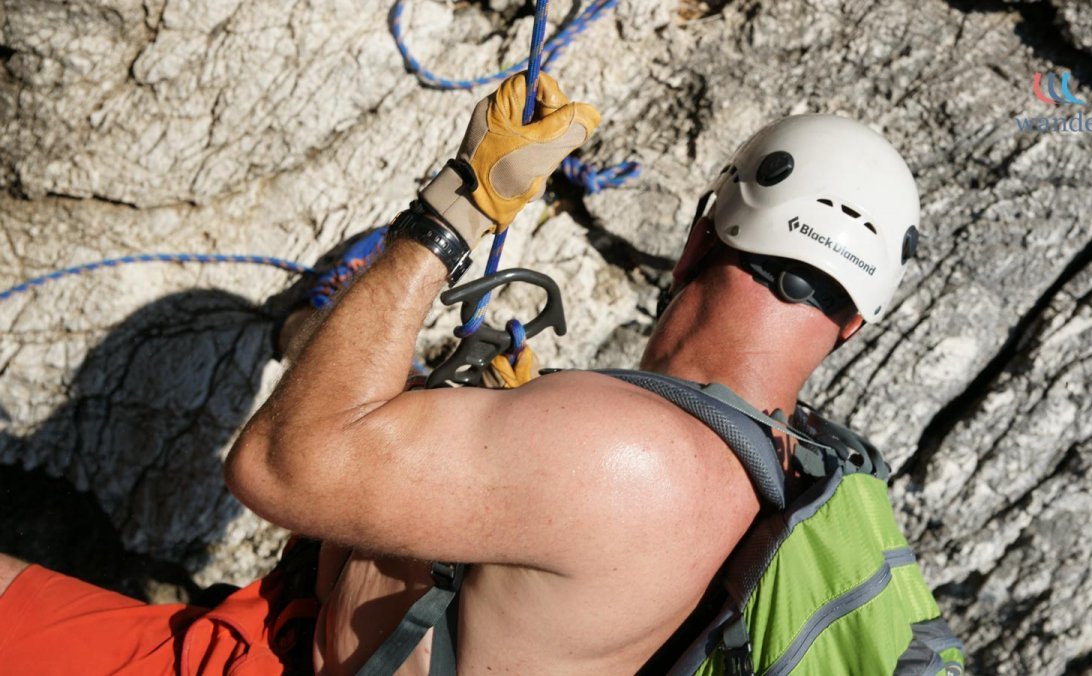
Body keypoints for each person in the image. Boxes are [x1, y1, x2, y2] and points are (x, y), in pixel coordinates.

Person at [0, 69, 927, 674]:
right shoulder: (765, 471)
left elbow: (277, 466)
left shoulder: (629, 452)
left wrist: (454, 215)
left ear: (697, 237)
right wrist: (501, 419)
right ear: (851, 323)